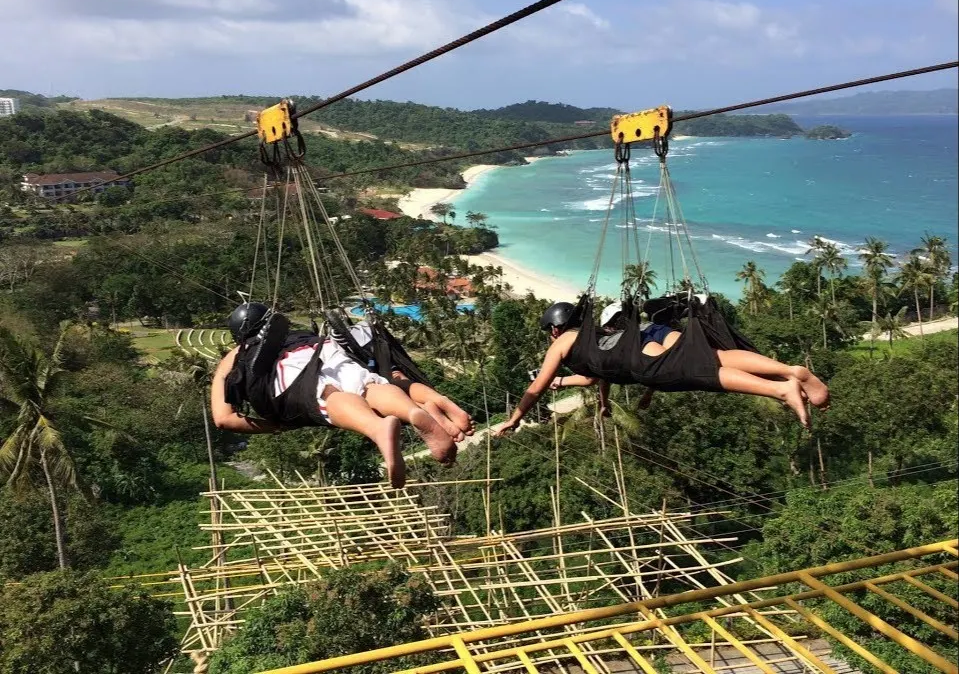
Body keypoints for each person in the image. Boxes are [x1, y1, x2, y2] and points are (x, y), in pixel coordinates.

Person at [210, 303, 457, 489]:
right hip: (321, 348)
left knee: (327, 395)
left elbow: (223, 419)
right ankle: (413, 411)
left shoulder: (236, 355)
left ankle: (377, 428)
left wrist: (278, 426)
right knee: (368, 386)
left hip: (283, 370)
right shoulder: (295, 333)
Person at [494, 300, 829, 437]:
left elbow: (536, 387)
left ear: (556, 327)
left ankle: (779, 388)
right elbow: (599, 375)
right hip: (644, 336)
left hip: (637, 350)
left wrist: (515, 418)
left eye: (549, 330)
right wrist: (592, 396)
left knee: (695, 371)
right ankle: (788, 371)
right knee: (712, 356)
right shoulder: (593, 334)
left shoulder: (563, 342)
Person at [347, 320, 475, 442]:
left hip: (356, 355)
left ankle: (424, 410)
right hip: (376, 342)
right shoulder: (365, 328)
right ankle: (437, 399)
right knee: (399, 378)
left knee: (374, 393)